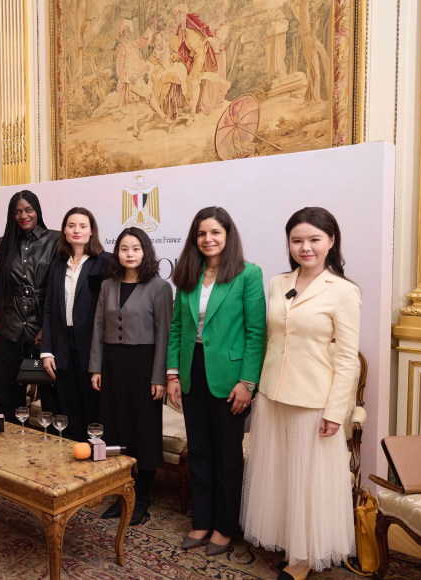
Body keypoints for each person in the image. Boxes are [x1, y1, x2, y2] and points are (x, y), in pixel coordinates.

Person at [241, 207, 361, 580]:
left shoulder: (343, 291)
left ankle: (303, 556)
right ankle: (287, 541)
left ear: (331, 241)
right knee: (279, 475)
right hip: (272, 396)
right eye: (297, 240)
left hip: (313, 401)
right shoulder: (278, 283)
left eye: (314, 239)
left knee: (308, 481)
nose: (305, 247)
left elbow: (347, 360)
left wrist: (335, 412)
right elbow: (270, 337)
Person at [166, 207, 266, 555]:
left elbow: (256, 332)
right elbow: (177, 328)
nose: (207, 239)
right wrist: (173, 374)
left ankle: (224, 526)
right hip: (192, 370)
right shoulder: (188, 274)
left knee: (227, 455)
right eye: (201, 233)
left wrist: (248, 383)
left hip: (230, 377)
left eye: (215, 233)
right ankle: (202, 521)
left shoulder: (248, 274)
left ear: (227, 235)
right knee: (200, 451)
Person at [89, 227, 173, 526]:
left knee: (144, 431)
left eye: (136, 248)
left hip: (144, 366)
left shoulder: (160, 287)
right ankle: (120, 493)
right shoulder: (107, 286)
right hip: (113, 365)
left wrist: (159, 377)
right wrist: (96, 368)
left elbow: (164, 335)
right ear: (117, 253)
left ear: (145, 251)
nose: (130, 254)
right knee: (116, 428)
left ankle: (143, 498)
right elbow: (99, 328)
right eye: (124, 249)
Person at [40, 207, 111, 440]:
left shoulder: (105, 262)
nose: (76, 230)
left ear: (91, 231)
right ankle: (73, 453)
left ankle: (95, 454)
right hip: (62, 344)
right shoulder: (58, 263)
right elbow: (49, 308)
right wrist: (46, 350)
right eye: (71, 226)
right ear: (64, 231)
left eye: (82, 226)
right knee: (67, 406)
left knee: (93, 405)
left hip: (91, 345)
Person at [0, 190, 59, 424]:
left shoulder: (56, 240)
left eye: (29, 210)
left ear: (37, 211)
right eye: (18, 211)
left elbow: (59, 289)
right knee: (6, 396)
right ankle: (9, 441)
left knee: (52, 397)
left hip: (42, 330)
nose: (23, 215)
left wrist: (46, 328)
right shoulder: (5, 242)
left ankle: (55, 441)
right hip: (7, 329)